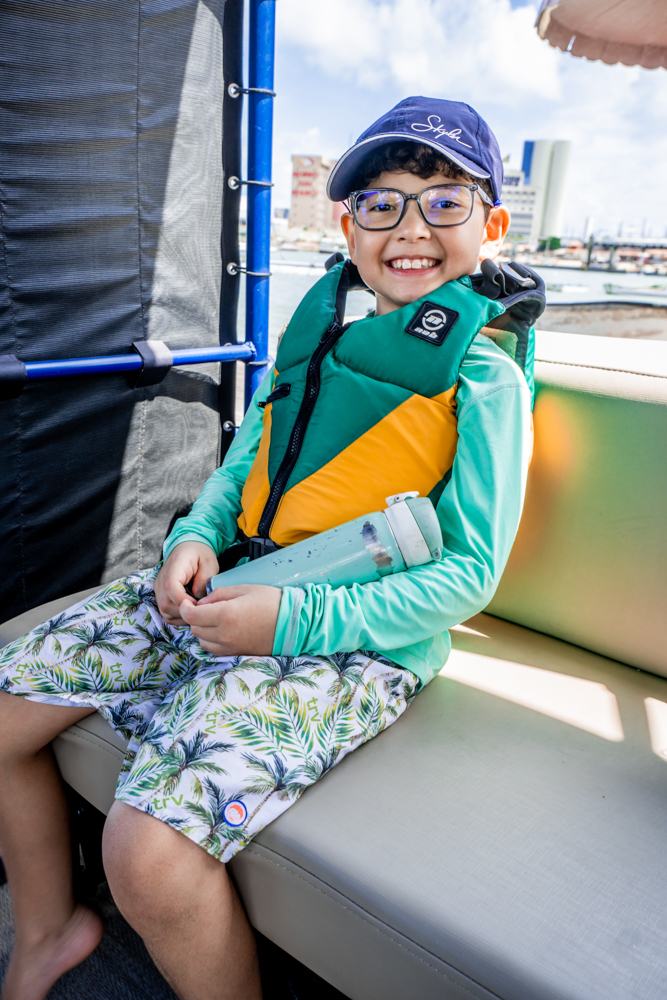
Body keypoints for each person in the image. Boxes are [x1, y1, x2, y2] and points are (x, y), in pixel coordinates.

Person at [0, 96, 533, 1000]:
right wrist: (194, 538)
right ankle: (49, 932)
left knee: (147, 852)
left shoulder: (485, 378)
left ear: (490, 227)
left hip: (356, 640)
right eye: (381, 203)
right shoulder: (317, 343)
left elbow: (469, 574)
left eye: (444, 202)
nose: (410, 228)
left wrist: (289, 619)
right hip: (235, 586)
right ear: (348, 227)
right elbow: (244, 462)